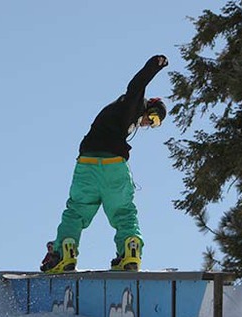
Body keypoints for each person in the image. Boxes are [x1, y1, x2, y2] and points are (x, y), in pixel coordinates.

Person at [41, 55, 169, 273]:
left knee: (77, 211)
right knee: (123, 211)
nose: (150, 125)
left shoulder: (123, 114)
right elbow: (136, 85)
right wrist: (154, 66)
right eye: (154, 120)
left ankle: (65, 253)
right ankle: (130, 251)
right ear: (151, 109)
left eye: (155, 125)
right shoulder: (133, 105)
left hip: (88, 164)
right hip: (113, 166)